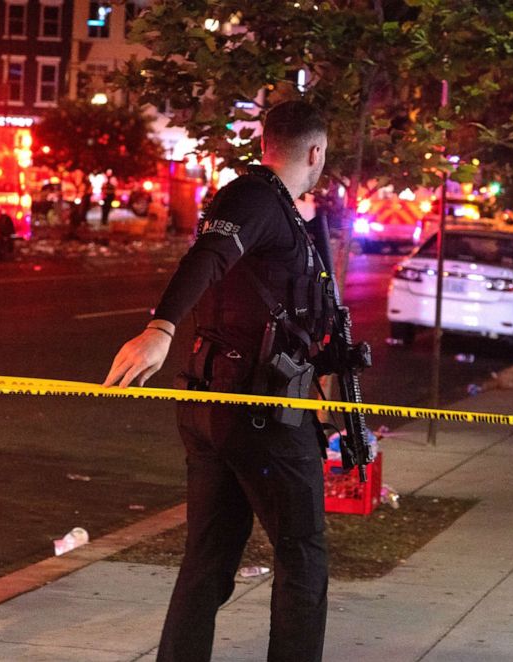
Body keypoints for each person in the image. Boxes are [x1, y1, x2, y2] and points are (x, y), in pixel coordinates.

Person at [104, 101, 335, 662]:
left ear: (265, 144)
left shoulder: (285, 213)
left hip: (224, 409)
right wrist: (160, 328)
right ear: (316, 152)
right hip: (259, 414)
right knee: (302, 557)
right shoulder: (254, 198)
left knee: (208, 561)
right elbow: (206, 257)